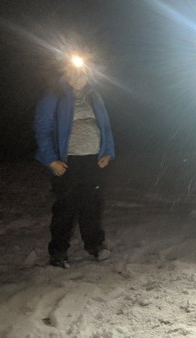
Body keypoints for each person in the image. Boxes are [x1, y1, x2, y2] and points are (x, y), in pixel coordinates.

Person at [34, 55, 115, 268]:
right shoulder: (54, 96)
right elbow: (43, 128)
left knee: (92, 204)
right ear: (66, 74)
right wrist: (51, 160)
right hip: (66, 161)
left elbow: (105, 125)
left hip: (93, 160)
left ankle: (95, 245)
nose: (79, 77)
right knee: (65, 207)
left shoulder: (94, 96)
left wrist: (107, 151)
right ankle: (58, 252)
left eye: (83, 73)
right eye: (74, 72)